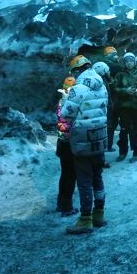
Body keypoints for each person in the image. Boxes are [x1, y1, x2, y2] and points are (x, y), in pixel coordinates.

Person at [61, 55, 108, 234]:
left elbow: (67, 115)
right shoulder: (102, 86)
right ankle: (99, 214)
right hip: (100, 139)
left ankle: (85, 219)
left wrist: (65, 99)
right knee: (98, 178)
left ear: (77, 70)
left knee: (84, 181)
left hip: (82, 141)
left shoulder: (77, 89)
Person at [113, 52, 137, 163]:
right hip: (124, 108)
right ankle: (123, 152)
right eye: (127, 61)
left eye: (131, 61)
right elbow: (114, 88)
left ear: (134, 62)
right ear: (124, 62)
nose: (129, 63)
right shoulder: (120, 75)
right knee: (123, 131)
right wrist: (125, 91)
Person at [55, 76, 78, 217]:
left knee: (65, 174)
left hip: (62, 143)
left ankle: (61, 203)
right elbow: (67, 124)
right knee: (70, 175)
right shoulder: (68, 103)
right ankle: (66, 206)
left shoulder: (60, 102)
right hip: (69, 144)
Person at [103, 46, 122, 152]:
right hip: (112, 99)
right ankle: (108, 145)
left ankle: (108, 145)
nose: (116, 57)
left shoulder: (104, 66)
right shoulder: (110, 65)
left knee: (111, 122)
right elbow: (120, 68)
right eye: (114, 55)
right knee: (112, 122)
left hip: (111, 98)